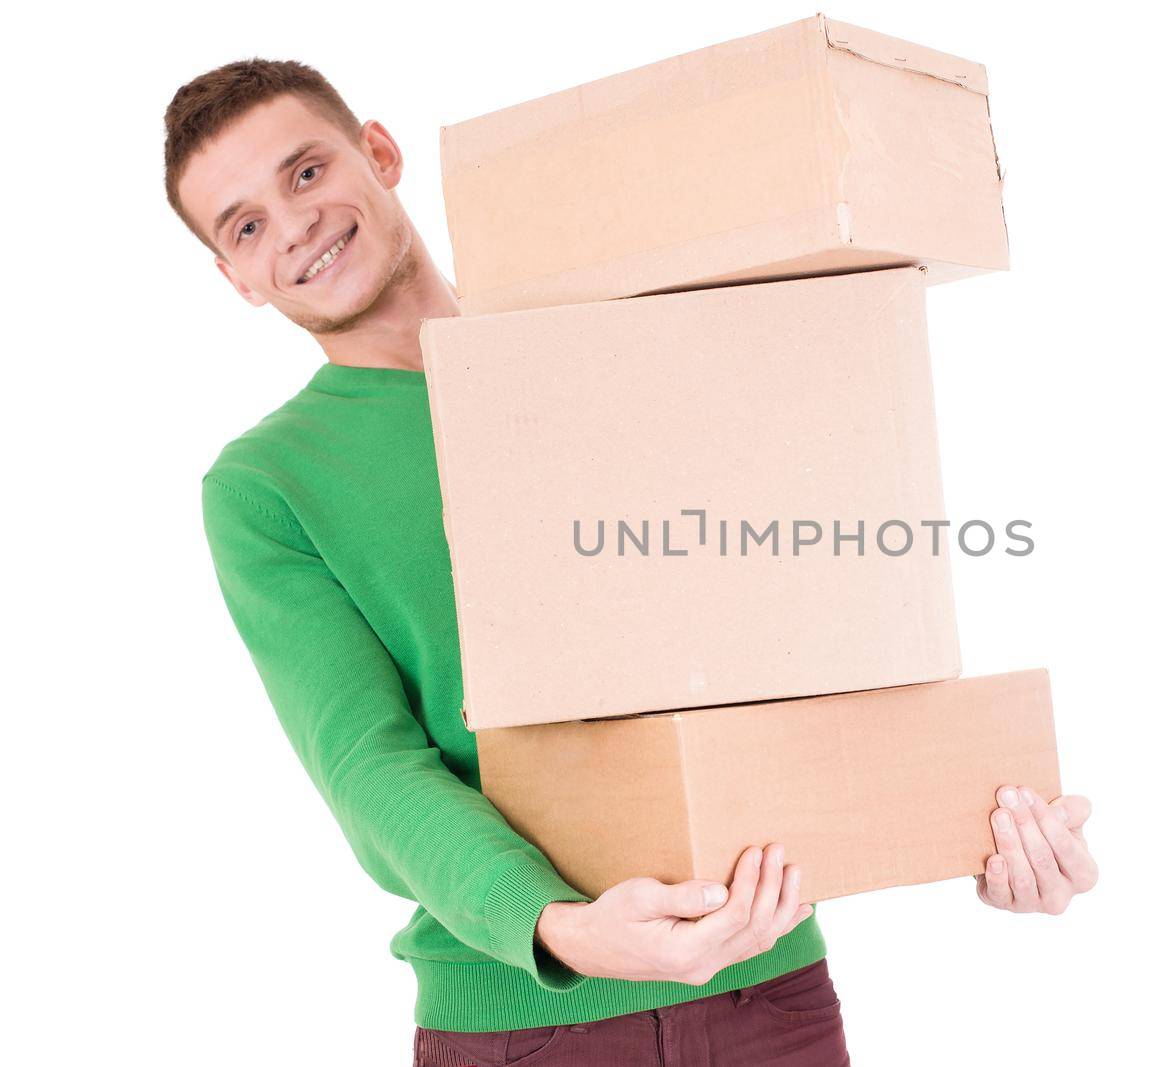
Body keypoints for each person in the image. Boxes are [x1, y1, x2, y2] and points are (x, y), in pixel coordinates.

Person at [170, 58, 1099, 1066]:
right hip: (523, 1024)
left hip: (770, 996)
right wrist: (560, 925)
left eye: (304, 172)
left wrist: (972, 822)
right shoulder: (267, 487)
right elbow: (369, 763)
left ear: (380, 154)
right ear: (235, 278)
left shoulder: (619, 339)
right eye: (245, 224)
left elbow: (812, 615)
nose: (293, 224)